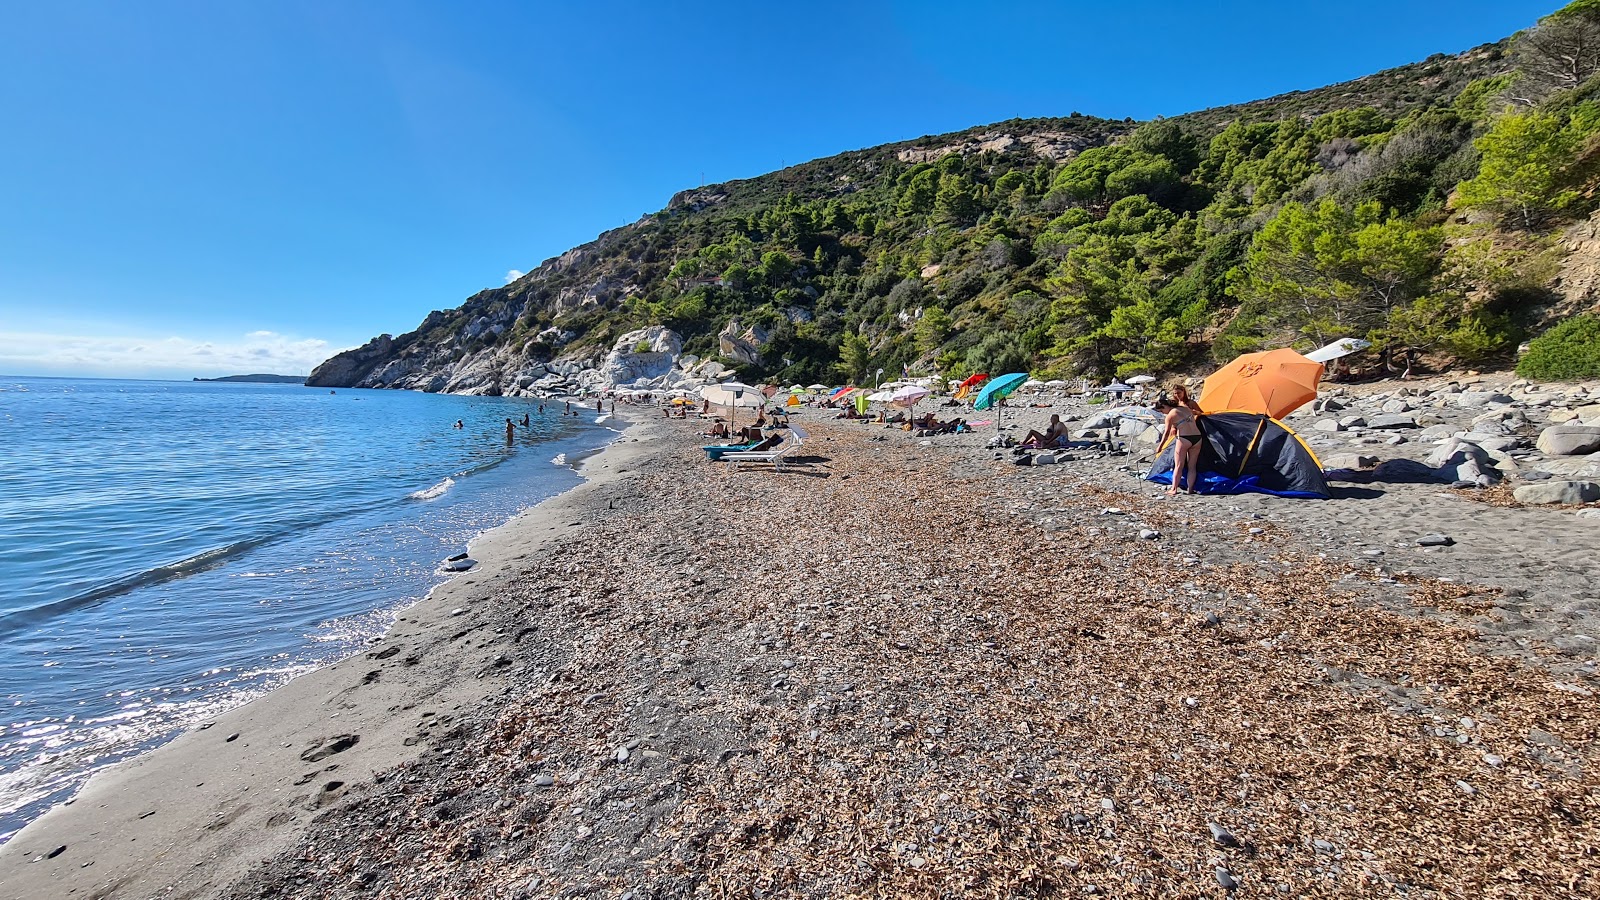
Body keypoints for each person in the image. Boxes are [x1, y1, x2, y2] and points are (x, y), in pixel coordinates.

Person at [1155, 394, 1203, 496]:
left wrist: (1160, 446)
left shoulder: (1170, 415)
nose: (1163, 413)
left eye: (1161, 411)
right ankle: (1190, 489)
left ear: (1164, 407)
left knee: (1178, 465)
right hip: (1197, 437)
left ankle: (1174, 489)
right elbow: (1197, 413)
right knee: (1192, 466)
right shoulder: (1185, 409)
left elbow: (1166, 433)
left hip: (1184, 438)